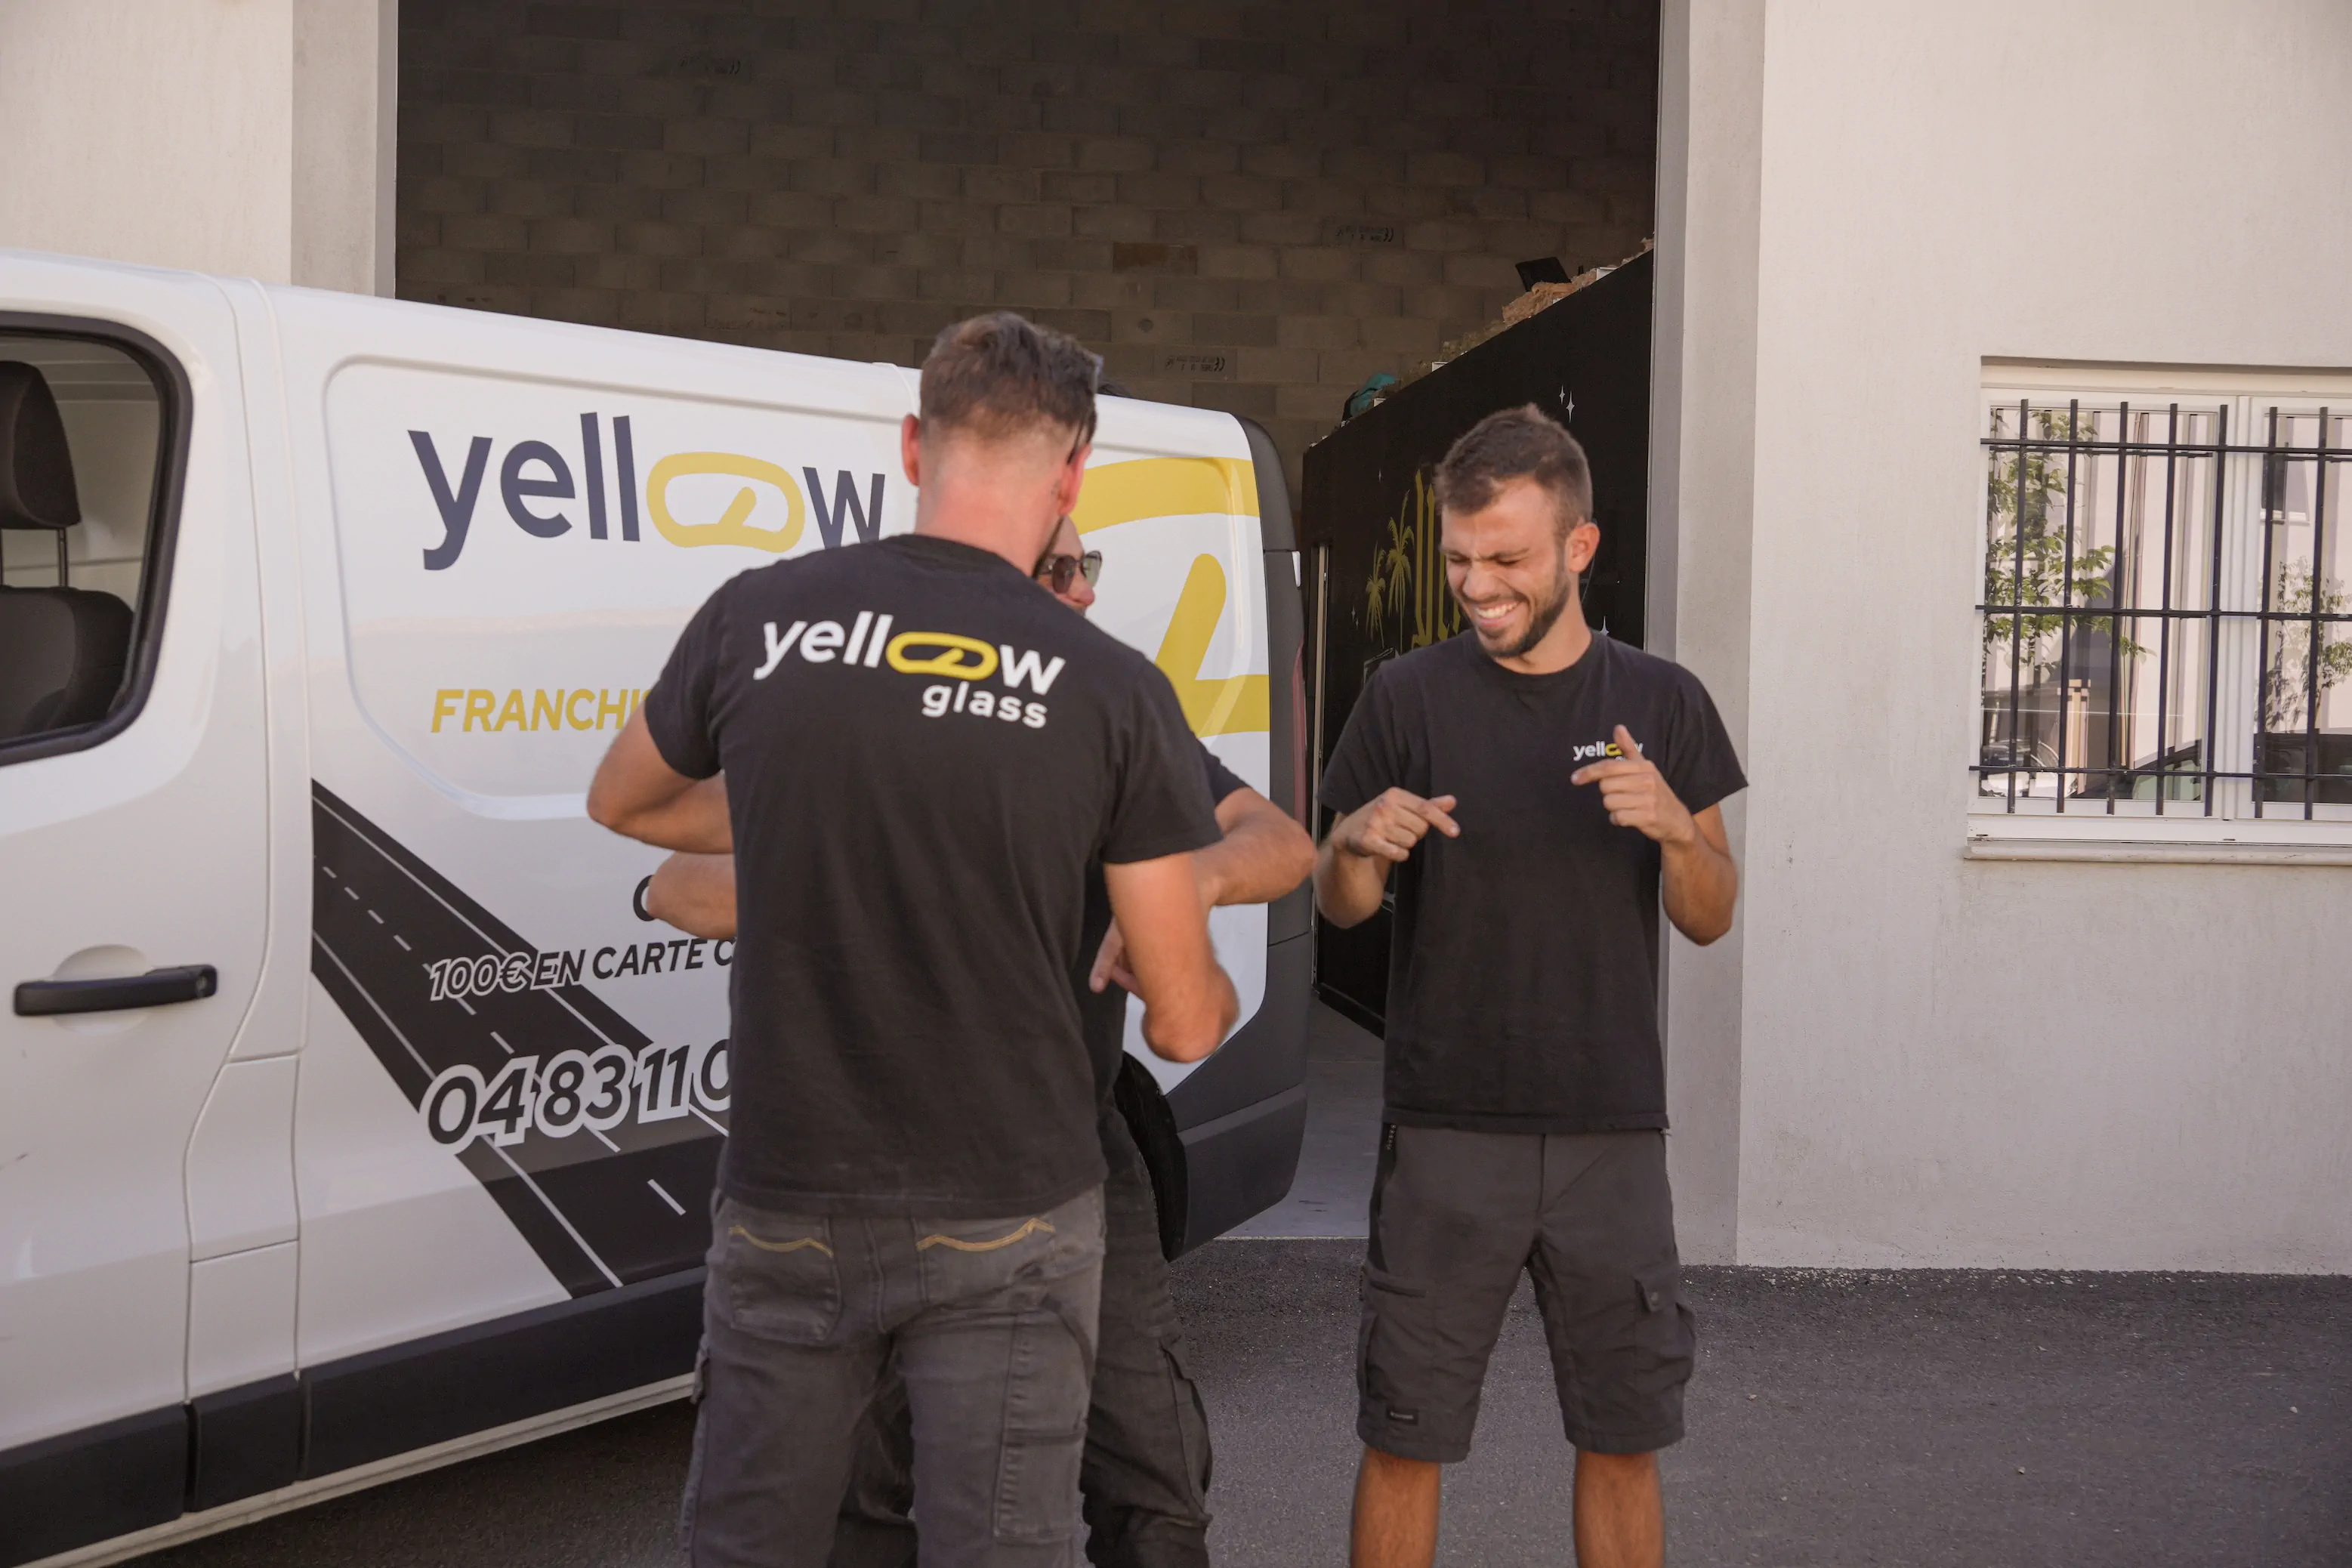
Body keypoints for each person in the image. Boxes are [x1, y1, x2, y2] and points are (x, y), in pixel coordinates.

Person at [587, 312, 1239, 1568]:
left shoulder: (758, 618)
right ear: (1071, 475)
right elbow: (1183, 1019)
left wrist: (797, 804)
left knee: (751, 1547)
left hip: (788, 1196)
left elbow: (624, 802)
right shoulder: (1107, 687)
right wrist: (1168, 923)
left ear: (909, 446)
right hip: (1010, 1212)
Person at [645, 514, 1316, 1568]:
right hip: (860, 1150)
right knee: (868, 1495)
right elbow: (678, 885)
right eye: (1062, 569)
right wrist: (867, 875)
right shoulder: (848, 719)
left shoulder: (1103, 708)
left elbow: (1279, 840)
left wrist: (1180, 882)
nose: (1086, 591)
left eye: (1087, 567)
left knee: (1149, 1467)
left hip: (1072, 1139)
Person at [1313, 405, 1744, 1568]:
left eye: (1504, 559)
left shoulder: (1660, 704)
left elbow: (1709, 917)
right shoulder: (1404, 697)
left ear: (1578, 549)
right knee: (1404, 1435)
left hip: (1609, 1132)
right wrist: (1355, 844)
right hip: (1447, 1128)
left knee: (1622, 1435)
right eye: (1459, 559)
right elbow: (1335, 903)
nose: (1475, 584)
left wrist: (1675, 834)